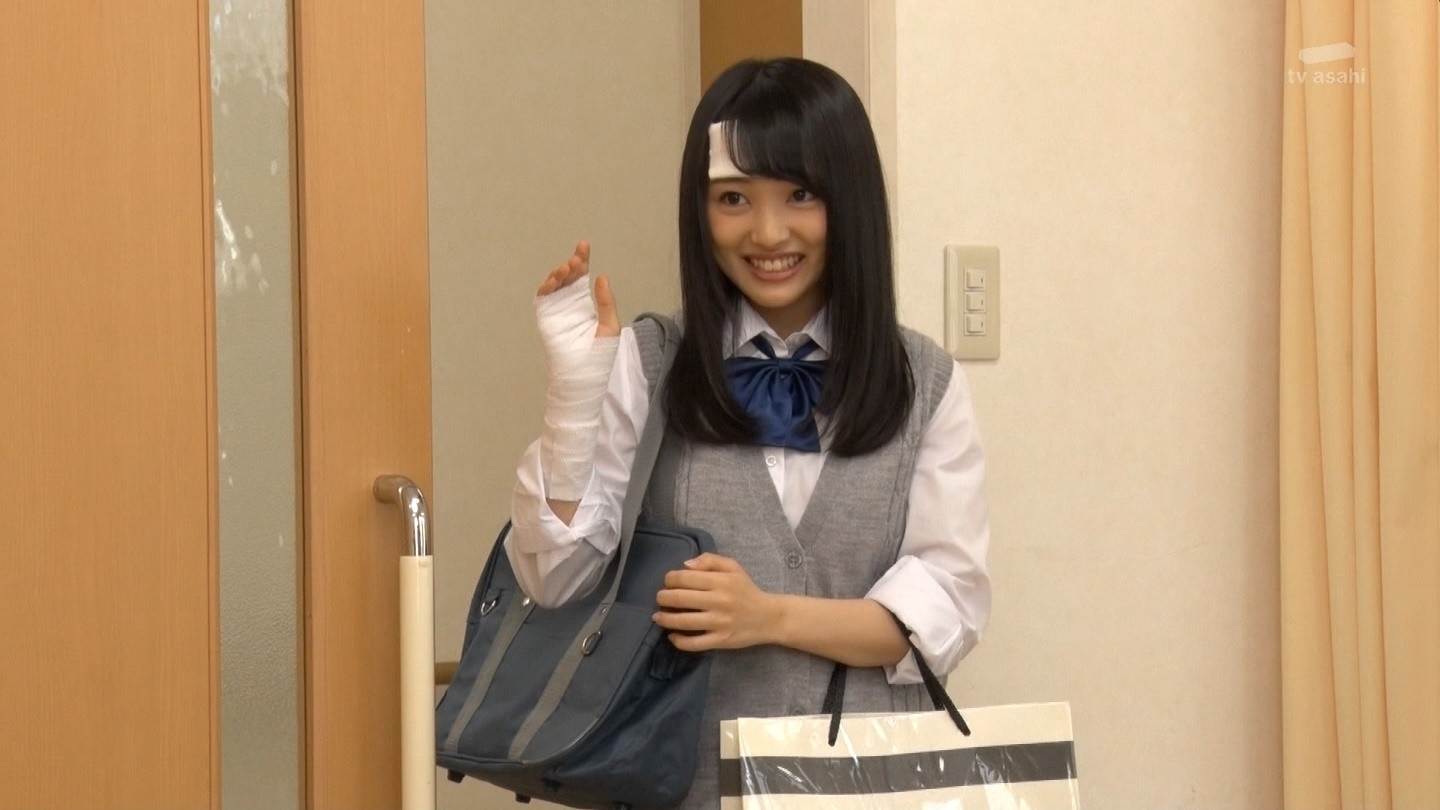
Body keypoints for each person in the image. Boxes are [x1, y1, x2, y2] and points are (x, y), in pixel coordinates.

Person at [507, 57, 990, 808]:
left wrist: (769, 616)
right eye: (734, 198)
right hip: (683, 788)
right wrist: (574, 398)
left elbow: (944, 609)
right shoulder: (649, 362)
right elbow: (557, 581)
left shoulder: (924, 381)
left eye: (801, 194)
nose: (768, 232)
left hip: (871, 791)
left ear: (850, 200)